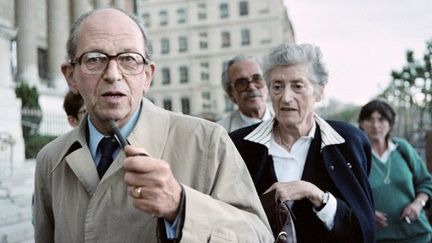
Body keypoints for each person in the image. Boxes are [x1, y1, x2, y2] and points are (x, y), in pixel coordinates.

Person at [33, 8, 273, 243]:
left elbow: (259, 236)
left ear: (147, 75)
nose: (113, 74)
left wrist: (181, 207)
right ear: (71, 76)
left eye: (129, 59)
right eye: (94, 59)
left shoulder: (207, 142)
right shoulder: (50, 160)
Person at [230, 43, 375, 242]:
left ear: (319, 92)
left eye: (297, 86)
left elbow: (363, 230)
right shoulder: (239, 145)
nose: (286, 97)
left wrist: (314, 194)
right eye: (277, 86)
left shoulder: (348, 142)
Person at [358, 99, 432, 242]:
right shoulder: (356, 155)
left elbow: (426, 182)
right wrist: (365, 214)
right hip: (378, 238)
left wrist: (418, 204)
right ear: (361, 123)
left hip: (418, 235)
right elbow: (347, 196)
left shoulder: (402, 149)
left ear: (390, 123)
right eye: (369, 119)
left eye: (381, 119)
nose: (375, 125)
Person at [217, 54, 274, 132]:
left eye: (257, 79)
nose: (251, 87)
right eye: (241, 83)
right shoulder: (221, 132)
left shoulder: (289, 118)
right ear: (231, 92)